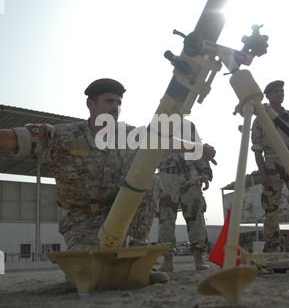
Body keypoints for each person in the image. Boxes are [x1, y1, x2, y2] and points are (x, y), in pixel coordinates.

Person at [0, 78, 166, 283]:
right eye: (109, 101)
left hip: (119, 217)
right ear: (91, 104)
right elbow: (14, 138)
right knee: (92, 274)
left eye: (119, 102)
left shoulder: (128, 135)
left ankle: (138, 251)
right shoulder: (64, 136)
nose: (115, 106)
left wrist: (200, 149)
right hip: (82, 222)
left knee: (150, 179)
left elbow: (160, 139)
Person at [157, 119, 216, 271]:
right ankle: (168, 260)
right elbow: (153, 150)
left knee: (196, 216)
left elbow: (199, 150)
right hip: (166, 176)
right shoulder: (157, 124)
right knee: (166, 219)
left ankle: (199, 258)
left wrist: (204, 173)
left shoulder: (189, 125)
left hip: (189, 174)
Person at [251, 80, 289, 252]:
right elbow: (257, 150)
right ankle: (271, 246)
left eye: (282, 90)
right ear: (268, 96)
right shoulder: (260, 121)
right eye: (277, 91)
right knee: (271, 206)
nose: (281, 93)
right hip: (272, 164)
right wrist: (263, 173)